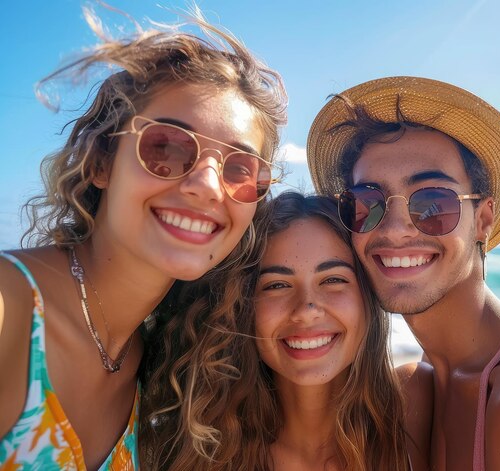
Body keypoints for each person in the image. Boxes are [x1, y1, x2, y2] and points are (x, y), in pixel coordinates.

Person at [0, 4, 287, 469]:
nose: (208, 186)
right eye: (167, 149)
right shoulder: (11, 312)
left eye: (240, 169)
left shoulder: (153, 360)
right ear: (100, 162)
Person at [306, 76, 500, 470]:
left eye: (433, 202)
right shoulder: (415, 391)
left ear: (483, 220)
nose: (394, 228)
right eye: (367, 202)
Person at [140, 192, 433, 470]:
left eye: (333, 279)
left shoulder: (417, 407)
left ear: (367, 296)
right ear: (243, 307)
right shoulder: (199, 452)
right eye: (276, 285)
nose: (306, 309)